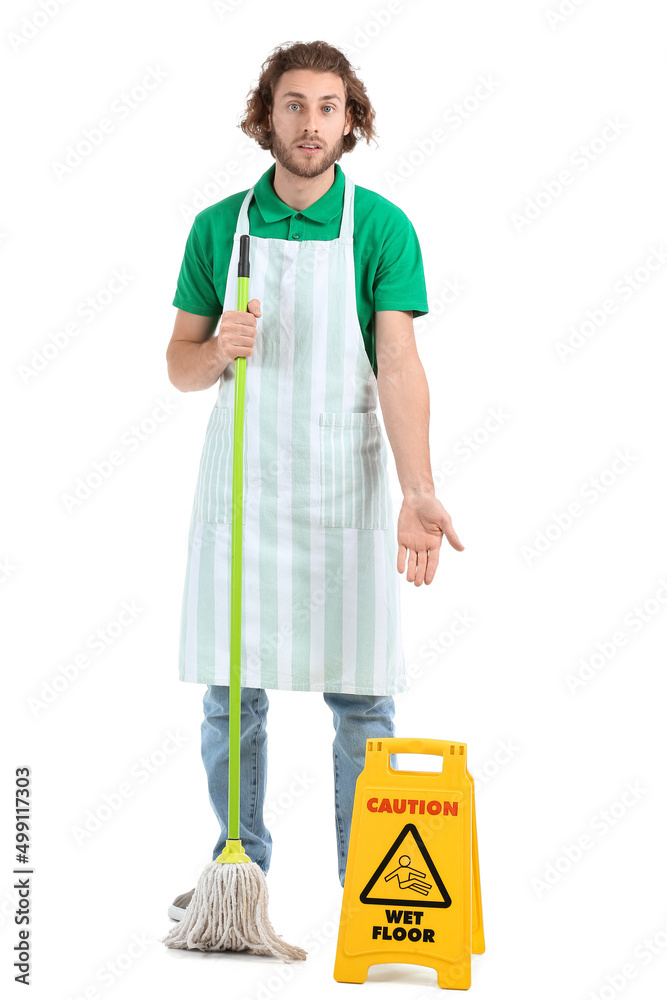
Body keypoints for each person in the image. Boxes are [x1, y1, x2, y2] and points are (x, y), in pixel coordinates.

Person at [165, 40, 463, 920]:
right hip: (244, 491)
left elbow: (399, 364)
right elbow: (178, 367)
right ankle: (237, 871)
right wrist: (217, 347)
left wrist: (418, 487)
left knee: (363, 693)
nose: (310, 123)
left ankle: (369, 887)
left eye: (327, 107)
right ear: (267, 117)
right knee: (230, 694)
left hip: (344, 484)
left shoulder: (381, 228)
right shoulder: (219, 227)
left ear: (350, 118)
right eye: (293, 105)